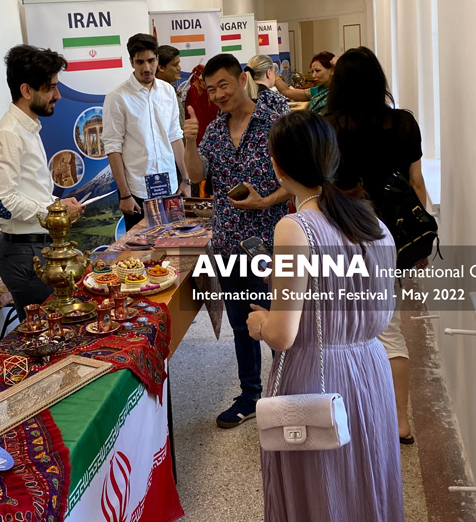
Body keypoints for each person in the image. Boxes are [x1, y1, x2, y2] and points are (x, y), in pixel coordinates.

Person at [247, 109, 404, 522]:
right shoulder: (372, 222)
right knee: (367, 475)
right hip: (370, 367)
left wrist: (260, 323)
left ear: (278, 167)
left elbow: (282, 334)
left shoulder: (294, 227)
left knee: (321, 486)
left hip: (315, 371)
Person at [325, 45, 427, 444]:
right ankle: (400, 421)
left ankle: (353, 415)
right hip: (390, 238)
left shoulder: (327, 127)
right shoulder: (403, 124)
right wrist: (418, 244)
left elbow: (321, 189)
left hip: (341, 235)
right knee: (390, 330)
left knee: (342, 332)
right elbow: (416, 184)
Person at [183, 53, 290, 428]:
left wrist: (265, 201)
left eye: (223, 85)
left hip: (269, 242)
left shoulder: (274, 125)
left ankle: (287, 393)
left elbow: (295, 182)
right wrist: (190, 142)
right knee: (242, 323)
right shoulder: (213, 130)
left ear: (242, 79)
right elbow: (197, 175)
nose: (217, 95)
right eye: (211, 89)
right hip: (228, 242)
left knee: (277, 323)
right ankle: (250, 395)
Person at [0, 45, 84, 320]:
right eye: (50, 88)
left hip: (35, 246)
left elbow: (28, 192)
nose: (57, 96)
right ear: (26, 91)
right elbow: (2, 203)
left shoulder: (28, 128)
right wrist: (54, 211)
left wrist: (57, 204)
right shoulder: (8, 135)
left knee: (58, 327)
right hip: (24, 252)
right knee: (47, 332)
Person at [103, 34, 187, 229]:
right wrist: (125, 194)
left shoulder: (168, 92)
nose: (146, 68)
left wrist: (186, 180)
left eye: (151, 61)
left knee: (173, 241)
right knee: (142, 246)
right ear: (131, 62)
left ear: (157, 59)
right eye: (140, 62)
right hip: (137, 192)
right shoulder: (117, 97)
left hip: (171, 187)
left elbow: (175, 136)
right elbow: (113, 147)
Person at [156, 44, 185, 129]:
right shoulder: (155, 95)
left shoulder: (170, 88)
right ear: (161, 67)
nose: (179, 68)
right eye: (175, 65)